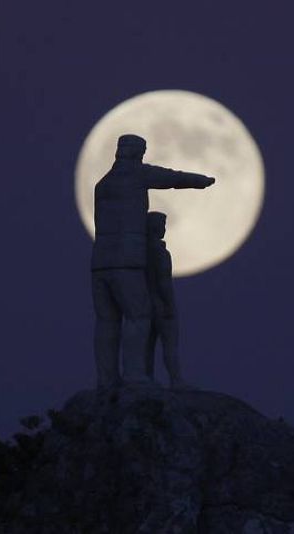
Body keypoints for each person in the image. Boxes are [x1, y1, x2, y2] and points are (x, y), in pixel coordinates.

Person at [91, 134, 214, 388]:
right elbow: (172, 178)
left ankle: (107, 378)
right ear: (138, 152)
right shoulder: (136, 175)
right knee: (139, 315)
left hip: (100, 262)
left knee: (107, 321)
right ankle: (135, 376)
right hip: (127, 261)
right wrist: (201, 181)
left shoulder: (102, 184)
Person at [144, 212, 186, 388]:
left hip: (146, 305)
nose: (164, 229)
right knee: (169, 344)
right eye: (161, 225)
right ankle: (176, 380)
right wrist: (169, 305)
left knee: (147, 346)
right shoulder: (160, 253)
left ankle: (147, 378)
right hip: (160, 304)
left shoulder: (140, 253)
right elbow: (163, 282)